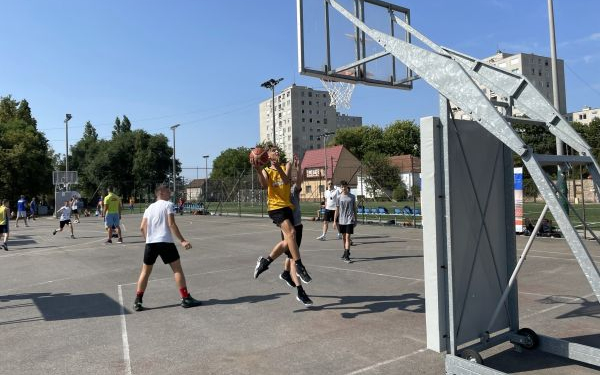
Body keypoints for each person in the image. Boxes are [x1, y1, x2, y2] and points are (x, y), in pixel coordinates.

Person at [253, 155, 313, 306]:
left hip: (296, 224)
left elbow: (295, 180)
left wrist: (298, 169)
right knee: (292, 257)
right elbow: (266, 183)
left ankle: (274, 266)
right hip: (285, 221)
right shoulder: (284, 189)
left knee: (287, 247)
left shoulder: (293, 190)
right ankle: (300, 289)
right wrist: (259, 170)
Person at [133, 184, 201, 311]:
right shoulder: (168, 205)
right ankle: (185, 298)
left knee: (145, 272)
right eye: (168, 191)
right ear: (161, 193)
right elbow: (171, 224)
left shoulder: (149, 208)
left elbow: (142, 227)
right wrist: (182, 240)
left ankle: (138, 301)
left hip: (150, 244)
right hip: (165, 242)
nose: (170, 193)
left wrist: (148, 240)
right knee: (177, 270)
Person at [335, 180, 357, 263]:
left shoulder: (352, 196)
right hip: (341, 220)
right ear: (340, 188)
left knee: (348, 237)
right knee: (344, 238)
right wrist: (334, 221)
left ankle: (347, 255)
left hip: (350, 220)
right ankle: (345, 252)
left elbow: (354, 209)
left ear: (347, 187)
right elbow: (337, 210)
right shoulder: (338, 197)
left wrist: (356, 219)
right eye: (342, 187)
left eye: (345, 186)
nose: (343, 188)